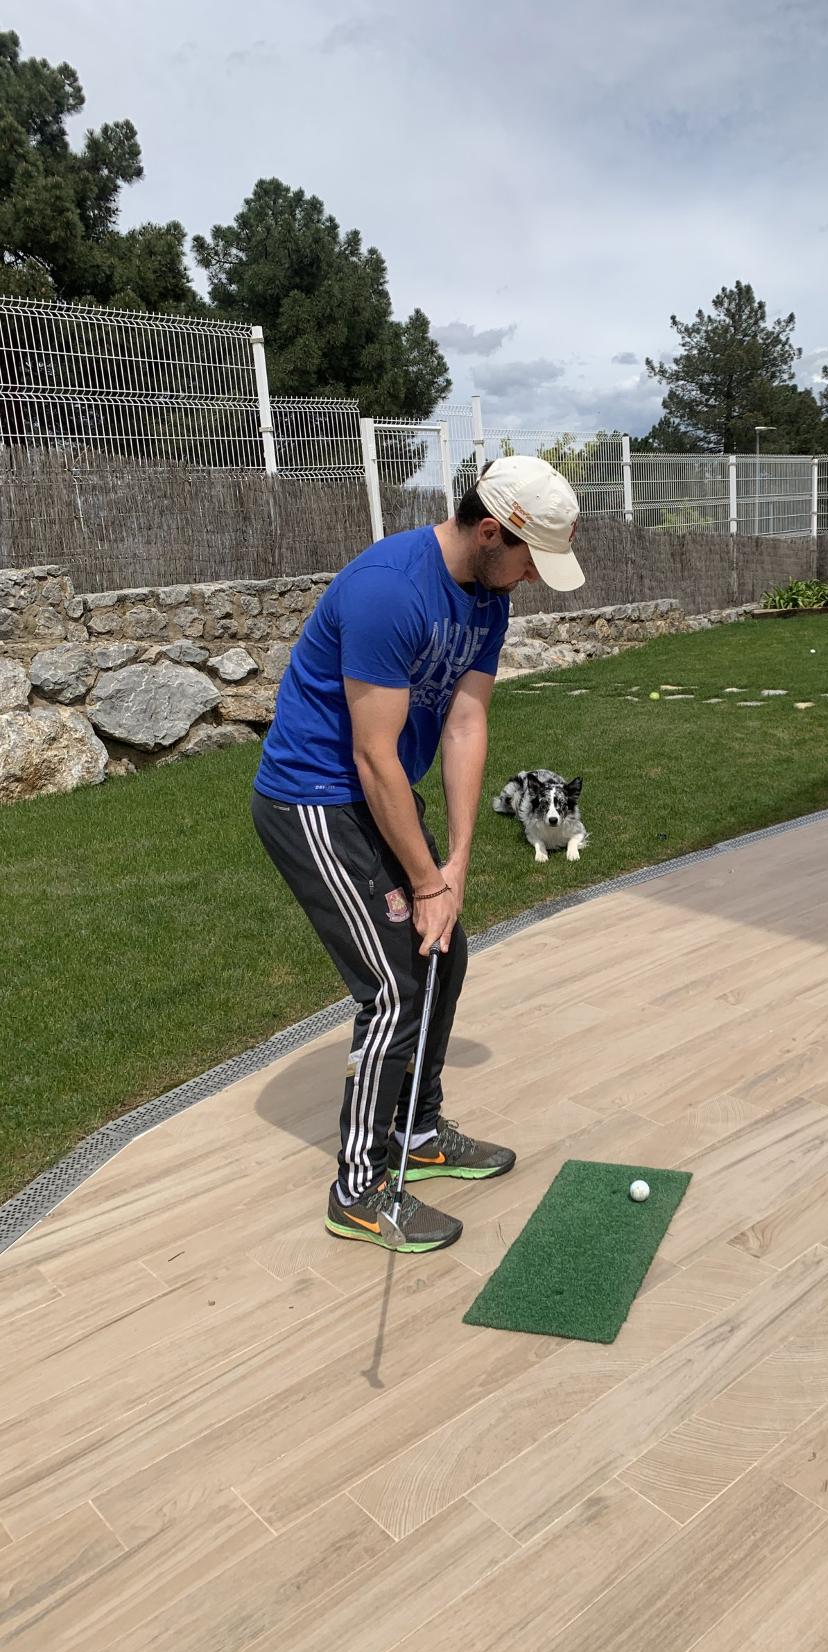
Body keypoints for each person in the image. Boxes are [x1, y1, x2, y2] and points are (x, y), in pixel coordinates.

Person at [251, 455, 585, 1252]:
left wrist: (456, 862)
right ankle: (359, 1189)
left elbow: (466, 724)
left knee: (445, 955)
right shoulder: (388, 590)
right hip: (315, 800)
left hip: (384, 794)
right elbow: (372, 756)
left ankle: (418, 1130)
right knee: (395, 989)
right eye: (529, 560)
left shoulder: (489, 597)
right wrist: (427, 883)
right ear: (489, 531)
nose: (532, 579)